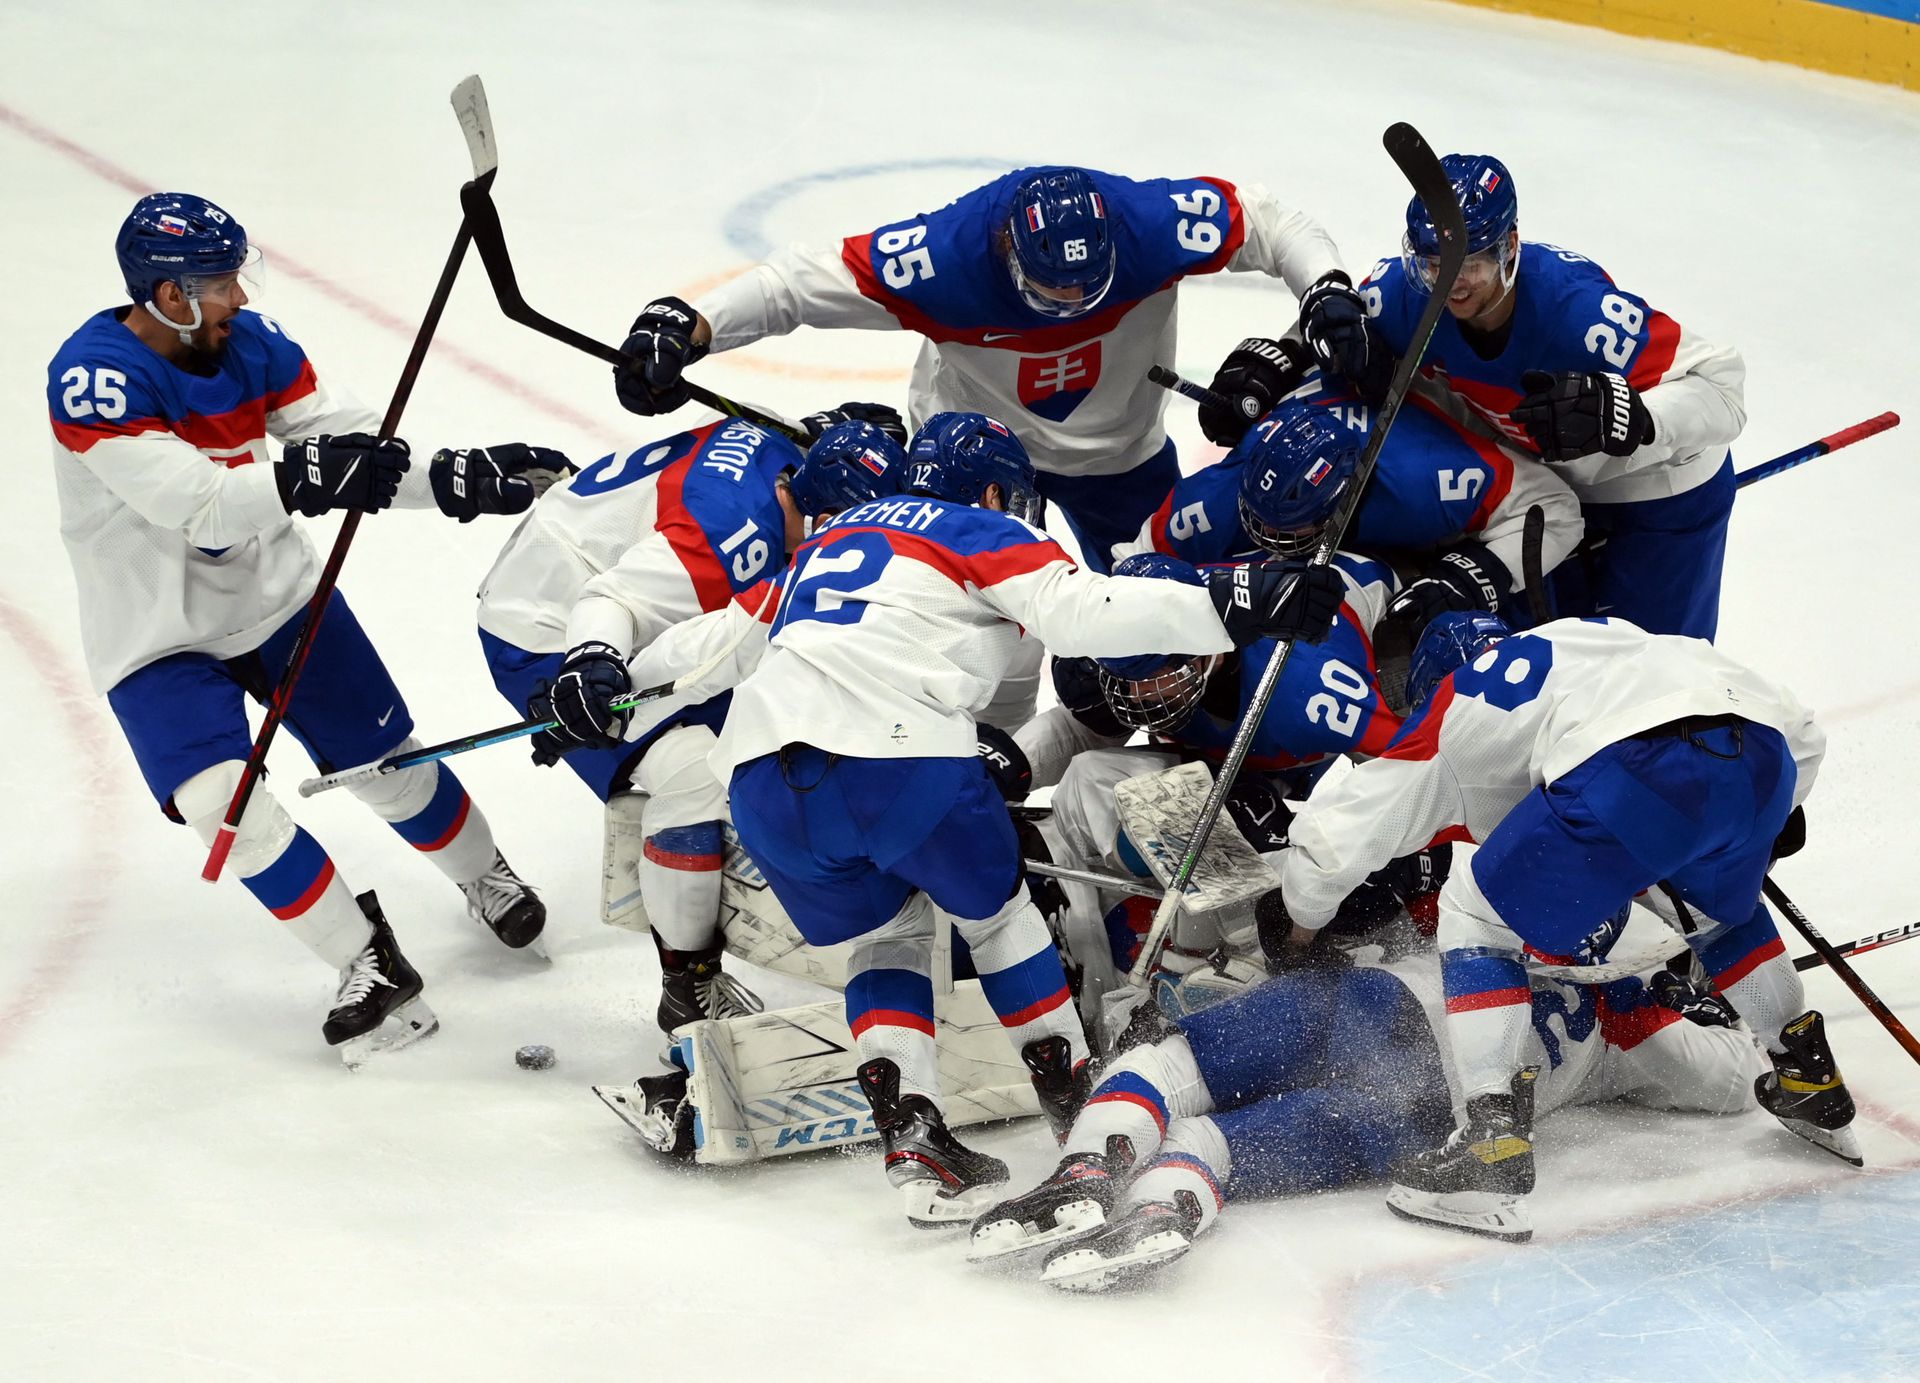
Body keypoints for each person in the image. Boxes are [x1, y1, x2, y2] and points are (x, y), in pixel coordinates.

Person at [606, 411, 1348, 1222]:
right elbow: (1084, 608)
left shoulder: (828, 542)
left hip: (759, 784)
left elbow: (712, 647)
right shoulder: (969, 528)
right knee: (997, 917)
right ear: (996, 490)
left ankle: (914, 1134)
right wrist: (1237, 597)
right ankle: (1071, 1091)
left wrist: (605, 687)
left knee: (886, 938)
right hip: (898, 757)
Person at [47, 193, 562, 1061]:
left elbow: (348, 442)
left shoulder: (249, 341)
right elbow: (204, 507)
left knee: (388, 767)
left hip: (278, 597)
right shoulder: (95, 380)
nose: (240, 298)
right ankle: (366, 958)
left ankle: (485, 877)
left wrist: (457, 479)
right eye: (220, 284)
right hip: (156, 633)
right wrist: (302, 476)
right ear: (169, 297)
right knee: (222, 806)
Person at [1263, 611, 1856, 1235]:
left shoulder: (1459, 704)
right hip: (1762, 754)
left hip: (1633, 765)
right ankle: (1808, 1075)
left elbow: (1336, 846)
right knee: (1716, 916)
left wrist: (1301, 927)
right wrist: (1770, 807)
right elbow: (1803, 731)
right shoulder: (1600, 636)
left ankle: (1489, 1138)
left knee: (1474, 915)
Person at [613, 165, 1366, 571]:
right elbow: (794, 285)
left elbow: (1271, 223)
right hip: (972, 458)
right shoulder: (942, 258)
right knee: (965, 624)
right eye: (1052, 292)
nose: (1072, 306)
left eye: (1090, 290)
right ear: (1007, 254)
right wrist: (692, 324)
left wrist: (1325, 288)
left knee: (1160, 615)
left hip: (1122, 456)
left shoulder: (1151, 226)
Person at [477, 409, 908, 1040]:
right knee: (697, 774)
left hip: (575, 554)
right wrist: (589, 668)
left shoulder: (781, 447)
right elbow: (611, 602)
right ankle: (688, 984)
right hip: (547, 627)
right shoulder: (730, 538)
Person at [965, 957, 1761, 1290]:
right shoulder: (1644, 1040)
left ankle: (1087, 1170)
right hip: (1425, 1114)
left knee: (1177, 1068)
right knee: (1219, 1146)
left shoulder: (1573, 910)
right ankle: (1161, 1207)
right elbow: (1731, 1079)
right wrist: (1666, 1011)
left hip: (1377, 1004)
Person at [1320, 154, 1743, 640]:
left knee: (1651, 671)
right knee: (1553, 660)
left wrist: (1631, 415)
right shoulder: (1406, 296)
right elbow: (1337, 326)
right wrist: (1287, 354)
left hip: (1660, 496)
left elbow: (1723, 387)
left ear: (1511, 245)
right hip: (1553, 495)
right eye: (1434, 264)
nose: (1452, 281)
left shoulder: (1579, 315)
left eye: (1472, 263)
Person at [1118, 375, 1582, 639]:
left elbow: (1557, 509)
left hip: (1438, 424)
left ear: (1348, 495)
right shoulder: (1212, 501)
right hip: (1324, 402)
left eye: (1295, 530)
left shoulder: (1434, 474)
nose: (1272, 541)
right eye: (1257, 521)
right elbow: (1127, 570)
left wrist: (1472, 576)